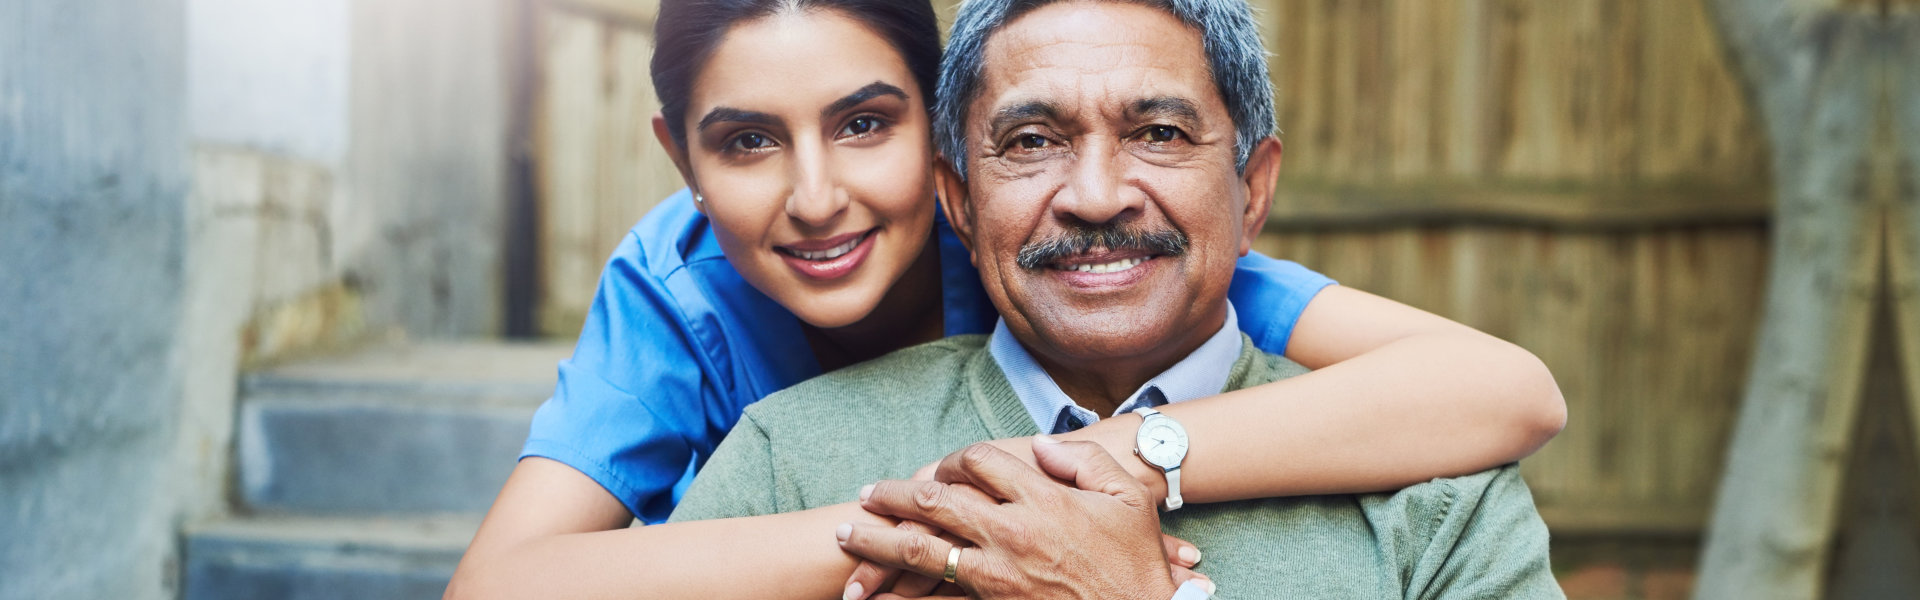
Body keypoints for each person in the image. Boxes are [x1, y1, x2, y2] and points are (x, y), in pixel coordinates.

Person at [446, 0, 1565, 597]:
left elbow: (1501, 388)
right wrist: (965, 534)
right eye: (1030, 141)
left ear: (1252, 186)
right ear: (965, 186)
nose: (818, 196)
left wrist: (1122, 479)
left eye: (1160, 133)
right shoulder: (726, 363)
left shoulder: (1427, 498)